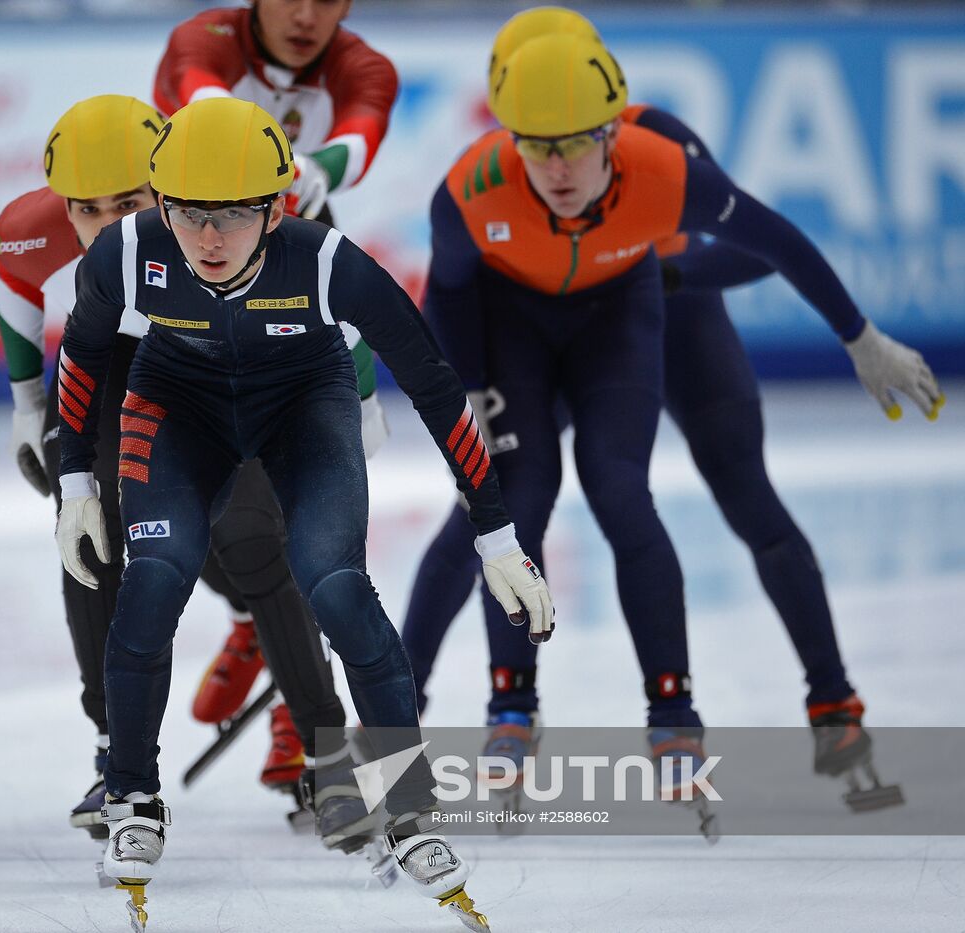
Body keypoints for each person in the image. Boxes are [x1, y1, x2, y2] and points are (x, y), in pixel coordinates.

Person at [401, 7, 943, 796]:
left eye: (576, 133)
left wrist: (855, 333)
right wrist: (470, 395)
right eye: (533, 135)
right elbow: (446, 293)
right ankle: (445, 703)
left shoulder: (664, 153)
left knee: (714, 490)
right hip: (529, 327)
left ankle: (830, 699)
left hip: (666, 315)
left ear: (607, 115)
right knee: (499, 506)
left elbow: (767, 248)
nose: (554, 159)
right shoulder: (483, 181)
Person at [54, 97, 551, 930]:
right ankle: (134, 794)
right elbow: (83, 350)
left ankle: (408, 808)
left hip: (302, 403)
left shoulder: (327, 263)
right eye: (188, 214)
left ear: (278, 207)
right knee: (155, 576)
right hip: (179, 401)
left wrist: (495, 533)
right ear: (162, 202)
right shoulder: (130, 248)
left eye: (234, 217)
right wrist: (75, 486)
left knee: (337, 588)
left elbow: (434, 385)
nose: (208, 240)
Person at [0, 94, 359, 838]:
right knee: (92, 536)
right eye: (84, 209)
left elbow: (333, 293)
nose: (104, 225)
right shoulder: (26, 235)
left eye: (127, 202)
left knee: (252, 538)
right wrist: (28, 405)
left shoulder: (223, 216)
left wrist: (354, 404)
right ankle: (110, 744)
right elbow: (20, 306)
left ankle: (328, 746)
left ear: (168, 190)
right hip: (107, 366)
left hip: (222, 358)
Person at [153, 0, 399, 767]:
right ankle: (261, 618)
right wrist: (271, 176)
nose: (304, 13)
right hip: (192, 269)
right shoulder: (204, 38)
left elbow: (358, 139)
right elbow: (204, 98)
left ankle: (304, 683)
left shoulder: (365, 68)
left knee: (298, 504)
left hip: (286, 272)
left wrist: (357, 390)